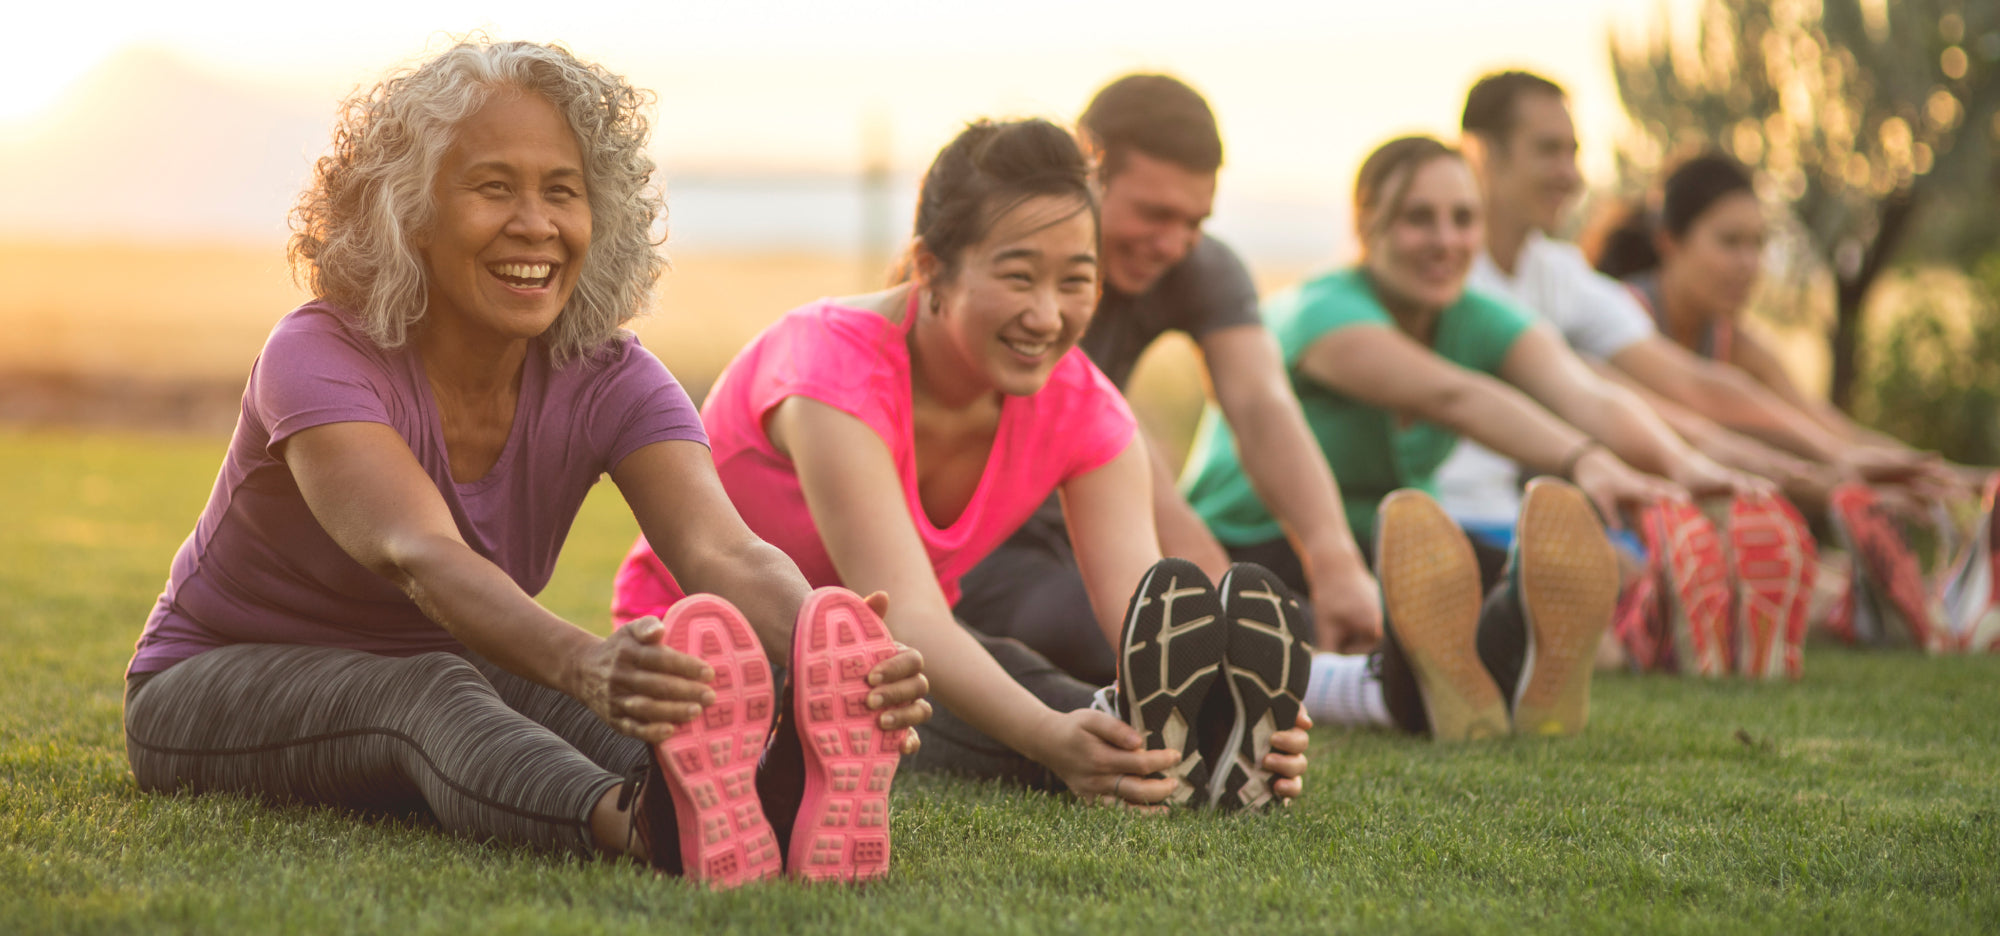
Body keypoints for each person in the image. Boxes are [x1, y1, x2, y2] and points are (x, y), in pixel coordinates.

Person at [118, 40, 932, 889]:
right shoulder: (320, 352)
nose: (536, 225)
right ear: (411, 211)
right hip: (210, 682)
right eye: (493, 187)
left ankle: (770, 795)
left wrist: (826, 653)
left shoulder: (611, 376)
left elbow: (724, 552)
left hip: (458, 656)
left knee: (670, 699)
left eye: (563, 192)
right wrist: (585, 661)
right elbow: (417, 552)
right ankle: (642, 826)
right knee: (431, 690)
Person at [613, 118, 1312, 812]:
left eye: (1077, 280)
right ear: (929, 266)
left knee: (1021, 682)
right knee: (935, 695)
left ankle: (1203, 753)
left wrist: (1214, 699)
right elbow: (908, 615)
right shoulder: (830, 373)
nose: (1048, 314)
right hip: (712, 649)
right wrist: (1051, 737)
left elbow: (1142, 621)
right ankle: (1150, 760)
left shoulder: (1085, 407)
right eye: (1018, 277)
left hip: (896, 662)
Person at [1181, 135, 1743, 740]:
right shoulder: (1323, 313)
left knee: (1527, 592)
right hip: (1262, 541)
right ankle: (1442, 675)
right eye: (1418, 219)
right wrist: (1587, 461)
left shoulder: (1474, 314)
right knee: (1314, 625)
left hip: (1398, 543)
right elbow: (1455, 396)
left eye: (1463, 219)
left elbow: (1581, 390)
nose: (1446, 242)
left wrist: (1678, 467)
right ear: (1367, 223)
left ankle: (1522, 665)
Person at [952, 75, 1383, 689]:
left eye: (1194, 221)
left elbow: (1262, 405)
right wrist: (1215, 594)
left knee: (1290, 614)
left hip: (1101, 535)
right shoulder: (1021, 274)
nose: (1174, 243)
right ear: (1086, 172)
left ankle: (1389, 673)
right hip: (990, 548)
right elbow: (1113, 434)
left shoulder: (1197, 265)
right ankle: (1335, 685)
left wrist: (1334, 559)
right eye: (1155, 214)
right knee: (1100, 629)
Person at [1444, 70, 1821, 680]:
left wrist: (1830, 464)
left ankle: (1668, 614)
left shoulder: (1556, 272)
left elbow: (1688, 387)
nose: (1569, 172)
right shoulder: (1445, 278)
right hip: (1457, 518)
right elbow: (1616, 400)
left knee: (1655, 569)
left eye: (1573, 152)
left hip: (1524, 510)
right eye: (1548, 149)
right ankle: (1649, 622)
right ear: (1480, 153)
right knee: (1621, 600)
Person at [1594, 153, 1971, 650]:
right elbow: (1690, 427)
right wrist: (1838, 482)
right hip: (1617, 528)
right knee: (1812, 592)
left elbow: (1819, 424)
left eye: (1758, 244)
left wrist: (1952, 478)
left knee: (1840, 586)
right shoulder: (1619, 319)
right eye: (1730, 243)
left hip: (1692, 528)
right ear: (1670, 241)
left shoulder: (1731, 338)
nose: (1749, 264)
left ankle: (1924, 609)